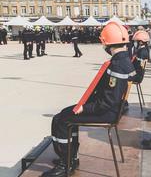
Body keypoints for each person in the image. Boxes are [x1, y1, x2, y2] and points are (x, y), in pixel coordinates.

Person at [41, 22, 135, 177]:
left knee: (61, 119)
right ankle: (71, 157)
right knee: (63, 115)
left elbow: (108, 101)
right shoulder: (124, 60)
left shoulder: (117, 64)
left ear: (106, 42)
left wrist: (86, 108)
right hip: (110, 108)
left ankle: (66, 164)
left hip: (106, 111)